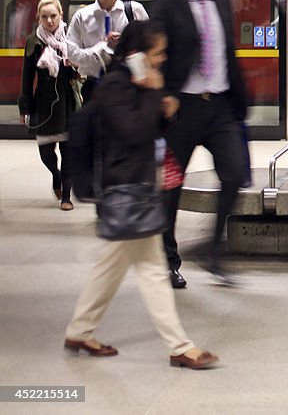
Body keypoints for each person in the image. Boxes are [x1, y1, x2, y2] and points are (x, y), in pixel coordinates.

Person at [63, 21, 219, 369]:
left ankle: (79, 330)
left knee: (111, 265)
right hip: (125, 187)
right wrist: (152, 94)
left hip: (134, 186)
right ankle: (179, 346)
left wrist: (165, 113)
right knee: (150, 268)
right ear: (137, 54)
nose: (162, 60)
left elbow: (145, 130)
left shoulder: (131, 84)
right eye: (157, 53)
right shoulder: (116, 85)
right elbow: (133, 133)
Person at [150, 0, 249, 287]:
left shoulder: (221, 2)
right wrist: (163, 95)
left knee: (235, 173)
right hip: (182, 110)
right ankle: (169, 260)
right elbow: (149, 52)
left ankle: (213, 250)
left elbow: (228, 53)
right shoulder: (166, 4)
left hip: (220, 107)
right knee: (171, 189)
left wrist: (240, 99)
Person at [19, 0, 81, 210]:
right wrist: (24, 107)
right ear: (38, 18)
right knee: (46, 154)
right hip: (43, 103)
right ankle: (56, 175)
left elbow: (83, 68)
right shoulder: (33, 41)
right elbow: (27, 78)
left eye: (53, 16)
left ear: (61, 15)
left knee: (69, 152)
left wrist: (74, 65)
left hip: (68, 101)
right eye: (45, 17)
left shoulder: (71, 38)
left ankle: (66, 196)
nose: (50, 20)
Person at [66, 0, 149, 103]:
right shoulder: (81, 16)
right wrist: (100, 48)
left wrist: (127, 42)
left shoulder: (134, 11)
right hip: (93, 88)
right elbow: (72, 55)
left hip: (129, 86)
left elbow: (150, 45)